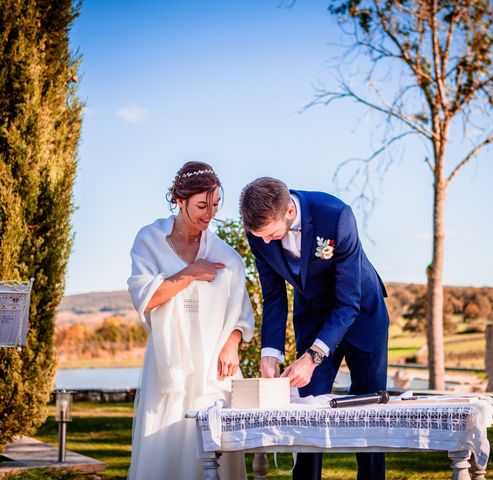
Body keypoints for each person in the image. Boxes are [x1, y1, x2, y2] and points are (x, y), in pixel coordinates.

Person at [239, 177, 389, 480]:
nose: (265, 242)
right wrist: (270, 352)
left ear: (289, 212)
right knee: (305, 414)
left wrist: (313, 356)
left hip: (362, 315)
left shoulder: (336, 216)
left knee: (369, 416)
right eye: (259, 236)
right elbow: (273, 295)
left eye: (270, 234)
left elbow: (348, 304)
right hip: (312, 317)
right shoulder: (258, 234)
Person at [127, 162, 254, 480]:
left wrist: (232, 342)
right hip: (168, 363)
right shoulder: (150, 241)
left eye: (214, 205)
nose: (209, 214)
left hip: (213, 363)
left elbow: (241, 312)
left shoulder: (228, 257)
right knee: (167, 439)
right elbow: (147, 300)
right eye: (201, 205)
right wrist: (191, 272)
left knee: (213, 442)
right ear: (179, 201)